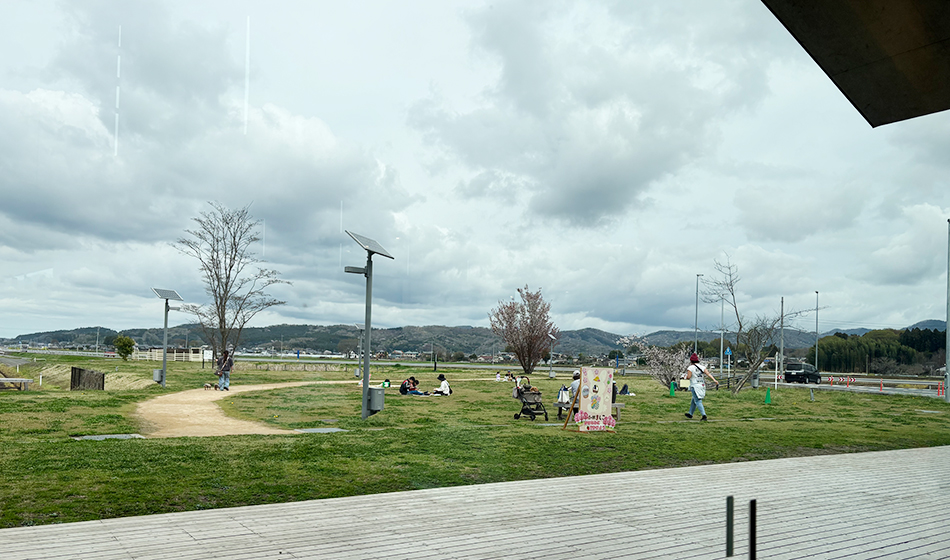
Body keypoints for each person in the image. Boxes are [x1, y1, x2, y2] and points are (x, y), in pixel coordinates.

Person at [684, 353, 718, 421]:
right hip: (701, 385)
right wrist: (714, 380)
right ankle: (690, 413)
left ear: (691, 361)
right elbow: (708, 374)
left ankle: (704, 415)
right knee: (694, 399)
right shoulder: (702, 367)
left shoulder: (690, 368)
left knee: (697, 400)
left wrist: (685, 377)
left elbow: (689, 377)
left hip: (695, 385)